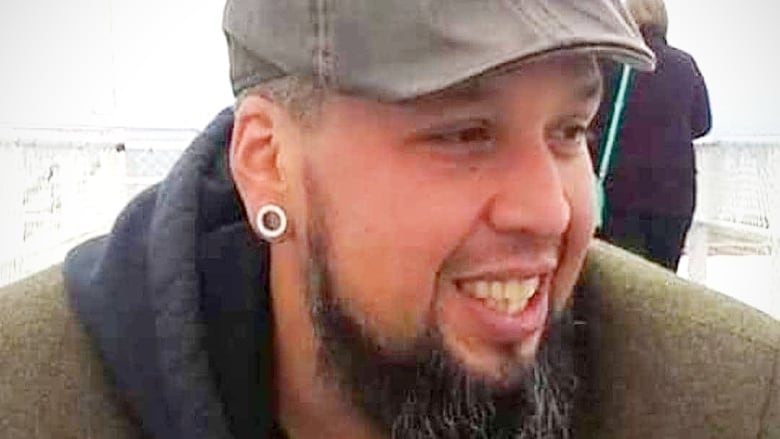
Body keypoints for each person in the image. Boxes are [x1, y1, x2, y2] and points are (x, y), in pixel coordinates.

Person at [0, 1, 777, 438]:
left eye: (569, 131)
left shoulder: (735, 403)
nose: (552, 210)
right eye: (465, 133)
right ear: (268, 162)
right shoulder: (30, 397)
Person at [595, 0, 712, 271]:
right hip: (674, 196)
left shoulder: (610, 63)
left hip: (619, 195)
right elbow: (703, 123)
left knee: (620, 279)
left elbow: (591, 120)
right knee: (663, 275)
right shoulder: (684, 64)